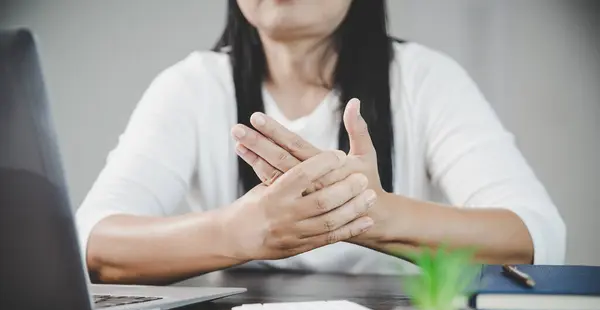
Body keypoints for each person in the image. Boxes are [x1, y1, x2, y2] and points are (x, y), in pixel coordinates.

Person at [76, 0, 565, 285]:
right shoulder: (191, 86)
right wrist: (237, 232)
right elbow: (93, 242)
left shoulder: (425, 78)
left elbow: (536, 238)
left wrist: (373, 213)